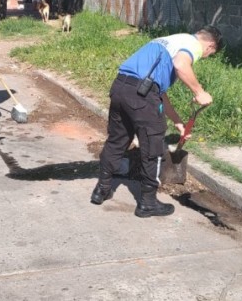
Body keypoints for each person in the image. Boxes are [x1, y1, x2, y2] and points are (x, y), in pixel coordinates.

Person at [90, 26, 223, 218]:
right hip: (142, 96)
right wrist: (199, 92)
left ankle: (101, 189)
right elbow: (181, 65)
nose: (205, 56)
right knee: (152, 148)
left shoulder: (170, 39)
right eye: (209, 54)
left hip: (120, 88)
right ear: (211, 46)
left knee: (116, 141)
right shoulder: (192, 44)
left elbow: (157, 91)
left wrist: (178, 121)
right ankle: (148, 203)